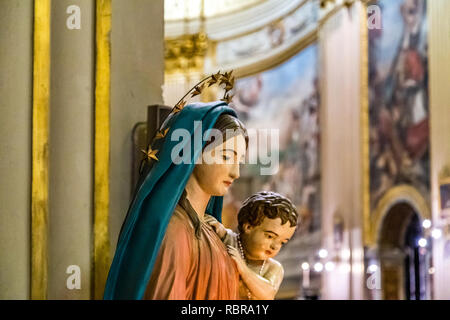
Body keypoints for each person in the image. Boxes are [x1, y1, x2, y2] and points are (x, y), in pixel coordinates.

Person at [103, 100, 248, 300]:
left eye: (239, 161)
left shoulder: (210, 230)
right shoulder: (174, 233)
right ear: (193, 153)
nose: (236, 172)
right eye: (226, 156)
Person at [206, 191, 298, 300]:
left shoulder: (274, 268)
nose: (275, 246)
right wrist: (215, 226)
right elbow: (220, 231)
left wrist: (243, 269)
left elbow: (268, 294)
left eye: (282, 242)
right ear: (248, 227)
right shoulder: (229, 240)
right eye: (270, 236)